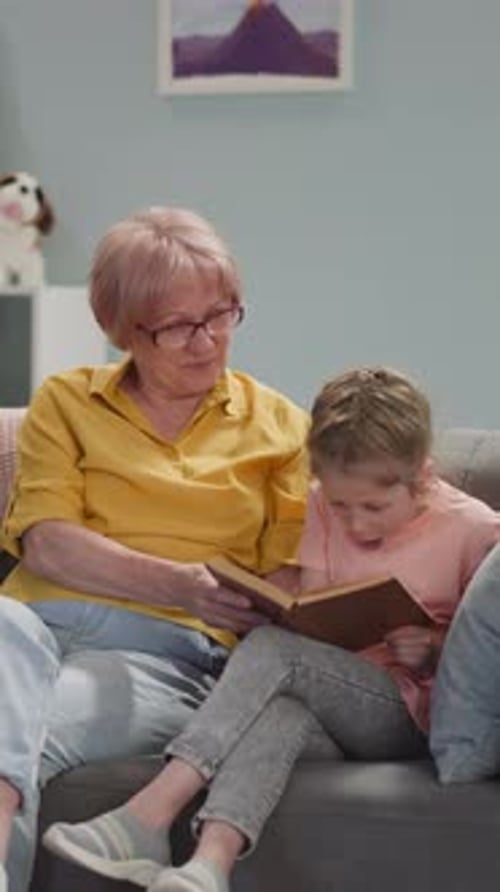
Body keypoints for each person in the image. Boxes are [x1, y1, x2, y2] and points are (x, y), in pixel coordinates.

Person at [43, 366, 500, 892]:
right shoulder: (318, 510)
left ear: (421, 475)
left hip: (405, 710)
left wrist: (437, 647)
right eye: (340, 505)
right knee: (280, 714)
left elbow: (487, 650)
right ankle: (208, 866)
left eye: (374, 507)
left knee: (277, 653)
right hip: (327, 698)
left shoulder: (473, 529)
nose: (355, 525)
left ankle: (148, 814)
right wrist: (270, 600)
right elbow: (305, 591)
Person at [0, 206, 310, 892]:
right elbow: (47, 544)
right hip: (32, 624)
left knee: (26, 729)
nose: (206, 342)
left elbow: (287, 580)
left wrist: (224, 602)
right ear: (123, 330)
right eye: (177, 326)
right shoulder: (66, 402)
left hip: (168, 655)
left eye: (222, 315)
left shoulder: (284, 428)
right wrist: (178, 581)